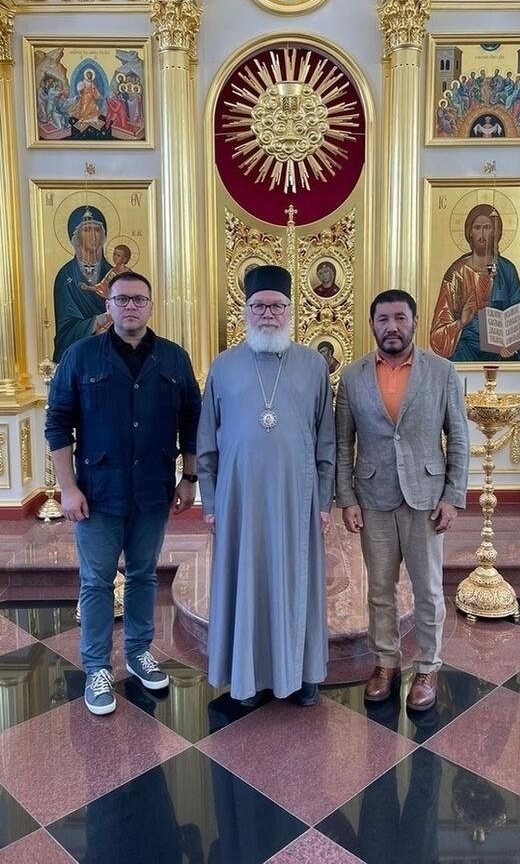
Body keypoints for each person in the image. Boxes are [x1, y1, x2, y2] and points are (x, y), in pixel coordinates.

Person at [46, 270, 201, 715]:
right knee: (96, 581)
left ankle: (138, 653)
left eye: (139, 299)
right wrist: (67, 488)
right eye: (122, 299)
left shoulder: (174, 358)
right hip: (97, 492)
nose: (131, 306)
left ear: (150, 305)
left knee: (144, 575)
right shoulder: (80, 356)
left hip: (153, 490)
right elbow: (58, 424)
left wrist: (189, 478)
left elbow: (192, 421)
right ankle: (97, 667)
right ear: (108, 306)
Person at [197, 265, 335, 707]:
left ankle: (304, 672)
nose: (268, 315)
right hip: (239, 499)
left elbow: (326, 439)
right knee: (247, 582)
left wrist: (325, 501)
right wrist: (210, 502)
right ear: (246, 311)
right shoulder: (223, 367)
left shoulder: (314, 366)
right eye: (259, 306)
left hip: (298, 497)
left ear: (291, 311)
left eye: (277, 306)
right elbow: (206, 442)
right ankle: (248, 677)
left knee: (299, 581)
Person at [336, 289, 469, 710]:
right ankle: (386, 662)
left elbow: (458, 437)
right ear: (371, 325)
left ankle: (427, 666)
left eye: (400, 318)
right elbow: (343, 443)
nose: (391, 327)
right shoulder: (352, 377)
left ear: (414, 322)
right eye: (383, 319)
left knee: (427, 589)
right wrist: (346, 498)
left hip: (426, 498)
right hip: (372, 497)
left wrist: (453, 496)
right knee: (380, 589)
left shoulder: (442, 372)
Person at [429, 204, 520, 362]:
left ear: (495, 232)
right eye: (477, 228)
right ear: (470, 232)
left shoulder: (506, 269)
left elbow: (517, 312)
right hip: (466, 348)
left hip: (500, 349)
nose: (482, 234)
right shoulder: (457, 273)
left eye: (487, 227)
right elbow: (439, 329)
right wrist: (462, 322)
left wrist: (511, 343)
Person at [52, 205, 114, 362]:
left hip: (110, 354)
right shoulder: (65, 276)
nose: (93, 236)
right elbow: (66, 330)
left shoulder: (114, 274)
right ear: (76, 237)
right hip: (78, 358)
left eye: (97, 230)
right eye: (87, 230)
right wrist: (98, 322)